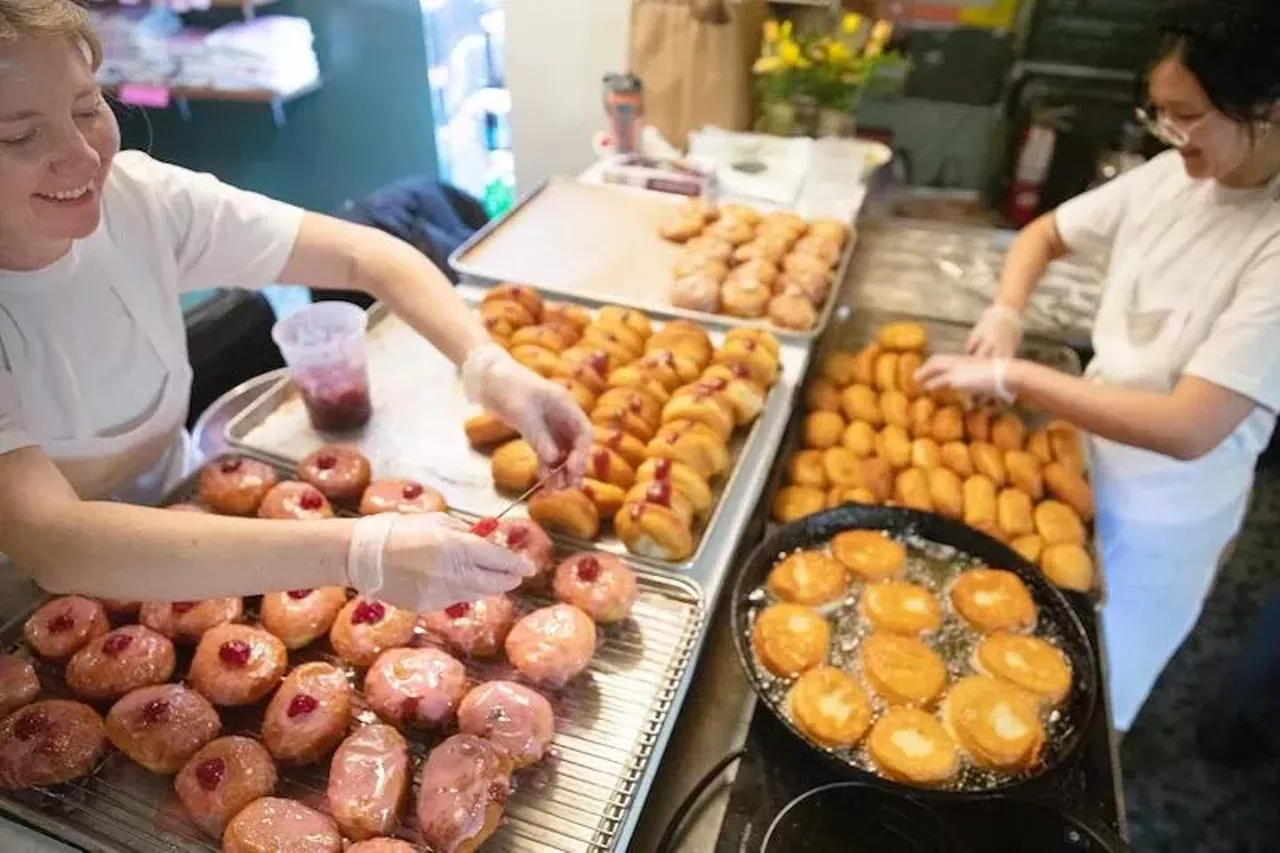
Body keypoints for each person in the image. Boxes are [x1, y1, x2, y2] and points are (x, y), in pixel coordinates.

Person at [0, 1, 592, 613]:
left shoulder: (142, 200)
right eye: (19, 135)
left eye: (87, 107)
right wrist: (355, 553)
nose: (83, 157)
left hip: (189, 523)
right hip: (24, 607)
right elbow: (55, 541)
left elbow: (367, 256)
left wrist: (491, 370)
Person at [917, 0, 1279, 731]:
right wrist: (1007, 311)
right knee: (1001, 669)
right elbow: (1043, 235)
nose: (1169, 135)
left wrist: (1015, 376)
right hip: (1074, 466)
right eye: (1159, 114)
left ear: (1267, 108)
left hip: (1161, 522)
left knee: (1077, 706)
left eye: (1187, 115)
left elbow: (1188, 427)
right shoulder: (1171, 178)